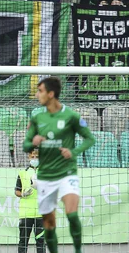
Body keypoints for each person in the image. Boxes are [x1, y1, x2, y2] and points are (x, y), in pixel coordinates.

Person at [23, 76, 96, 253]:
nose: (37, 95)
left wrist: (74, 152)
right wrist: (34, 142)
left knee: (72, 214)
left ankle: (78, 250)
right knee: (49, 223)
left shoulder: (71, 116)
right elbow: (25, 145)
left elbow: (90, 138)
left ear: (51, 93)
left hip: (67, 173)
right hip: (45, 177)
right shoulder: (37, 118)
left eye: (40, 91)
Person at [15, 149, 45, 253]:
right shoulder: (22, 173)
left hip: (41, 214)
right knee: (23, 241)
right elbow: (16, 191)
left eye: (37, 157)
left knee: (41, 241)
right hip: (26, 214)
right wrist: (23, 194)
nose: (34, 159)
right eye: (32, 157)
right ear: (29, 157)